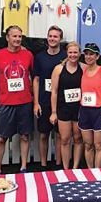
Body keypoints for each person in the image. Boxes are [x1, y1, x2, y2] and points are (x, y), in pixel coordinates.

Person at [0, 25, 33, 174]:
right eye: (14, 36)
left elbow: (33, 76)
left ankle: (24, 167)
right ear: (7, 37)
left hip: (25, 102)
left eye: (20, 36)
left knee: (25, 136)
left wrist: (31, 93)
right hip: (6, 102)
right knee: (2, 138)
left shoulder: (28, 55)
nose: (17, 39)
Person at [33, 25, 66, 170]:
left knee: (60, 135)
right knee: (43, 135)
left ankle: (58, 164)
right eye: (50, 36)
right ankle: (43, 165)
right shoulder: (40, 57)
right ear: (47, 38)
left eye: (55, 36)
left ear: (60, 39)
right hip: (44, 101)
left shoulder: (65, 56)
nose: (52, 39)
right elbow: (36, 79)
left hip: (62, 101)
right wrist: (36, 102)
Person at [49, 42, 83, 170]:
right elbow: (54, 91)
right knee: (65, 139)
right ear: (67, 53)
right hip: (63, 108)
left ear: (79, 54)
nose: (73, 55)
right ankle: (66, 168)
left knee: (78, 138)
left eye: (75, 52)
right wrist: (53, 112)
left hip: (79, 109)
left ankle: (75, 167)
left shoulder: (83, 68)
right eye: (70, 52)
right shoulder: (58, 69)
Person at [78, 43, 101, 168]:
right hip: (85, 110)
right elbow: (69, 59)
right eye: (86, 54)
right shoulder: (83, 70)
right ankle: (90, 171)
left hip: (98, 111)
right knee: (88, 144)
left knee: (98, 144)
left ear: (97, 56)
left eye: (92, 54)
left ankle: (97, 171)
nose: (88, 57)